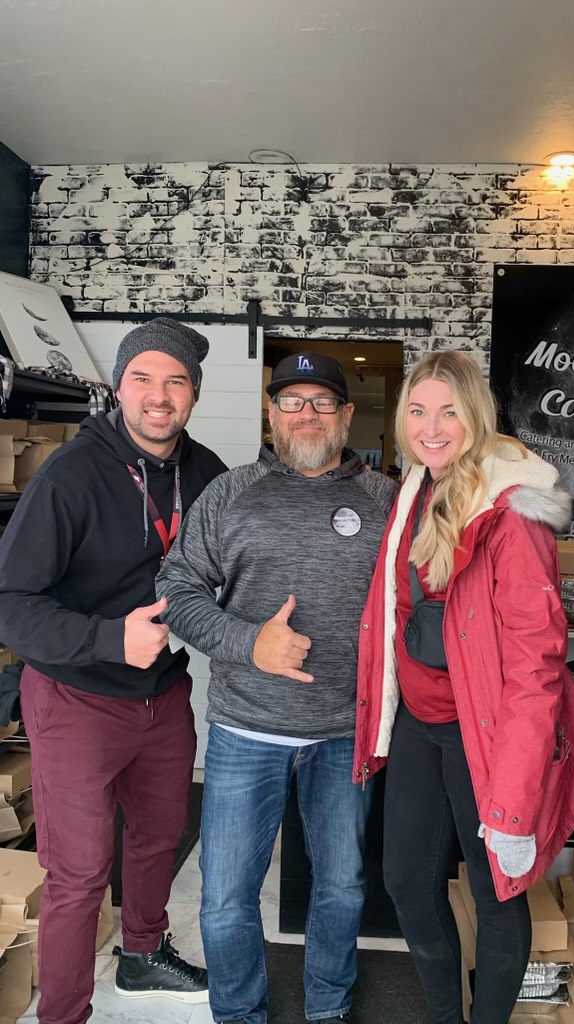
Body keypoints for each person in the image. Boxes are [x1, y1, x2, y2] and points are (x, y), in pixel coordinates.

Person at [354, 351, 574, 1024]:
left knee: (497, 890)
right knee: (407, 883)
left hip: (487, 730)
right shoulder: (414, 490)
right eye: (418, 411)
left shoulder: (513, 515)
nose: (431, 428)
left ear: (475, 417)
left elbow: (537, 666)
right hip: (420, 722)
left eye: (449, 412)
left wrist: (512, 807)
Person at [156, 350, 398, 1024]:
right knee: (225, 897)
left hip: (344, 733)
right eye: (292, 401)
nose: (306, 413)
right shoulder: (229, 494)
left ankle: (328, 1008)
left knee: (342, 887)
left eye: (322, 402)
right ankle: (239, 1014)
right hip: (245, 729)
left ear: (346, 415)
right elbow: (176, 589)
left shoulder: (386, 501)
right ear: (272, 414)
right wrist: (249, 643)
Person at [0, 317, 227, 1024]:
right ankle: (63, 1013)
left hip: (162, 694)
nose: (159, 396)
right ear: (119, 387)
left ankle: (142, 954)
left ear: (194, 393)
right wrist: (107, 638)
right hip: (76, 697)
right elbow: (10, 604)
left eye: (176, 381)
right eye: (142, 378)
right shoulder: (70, 476)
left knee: (158, 837)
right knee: (78, 873)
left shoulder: (207, 473)